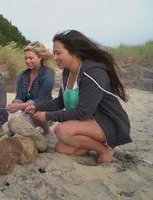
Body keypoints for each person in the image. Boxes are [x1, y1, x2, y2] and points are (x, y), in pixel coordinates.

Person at [25, 30, 131, 163]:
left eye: (58, 53)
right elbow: (60, 102)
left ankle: (105, 150)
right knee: (62, 149)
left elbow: (83, 112)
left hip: (108, 122)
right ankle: (91, 144)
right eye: (54, 53)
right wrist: (36, 107)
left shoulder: (93, 72)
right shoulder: (66, 72)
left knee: (62, 130)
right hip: (88, 121)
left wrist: (47, 116)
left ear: (74, 52)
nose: (55, 57)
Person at [6, 41, 55, 134]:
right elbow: (19, 97)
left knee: (23, 122)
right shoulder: (22, 75)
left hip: (44, 111)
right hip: (27, 111)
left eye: (31, 58)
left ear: (40, 57)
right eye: (26, 58)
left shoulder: (48, 74)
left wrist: (19, 106)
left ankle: (47, 131)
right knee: (13, 128)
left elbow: (41, 99)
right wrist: (14, 105)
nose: (27, 61)